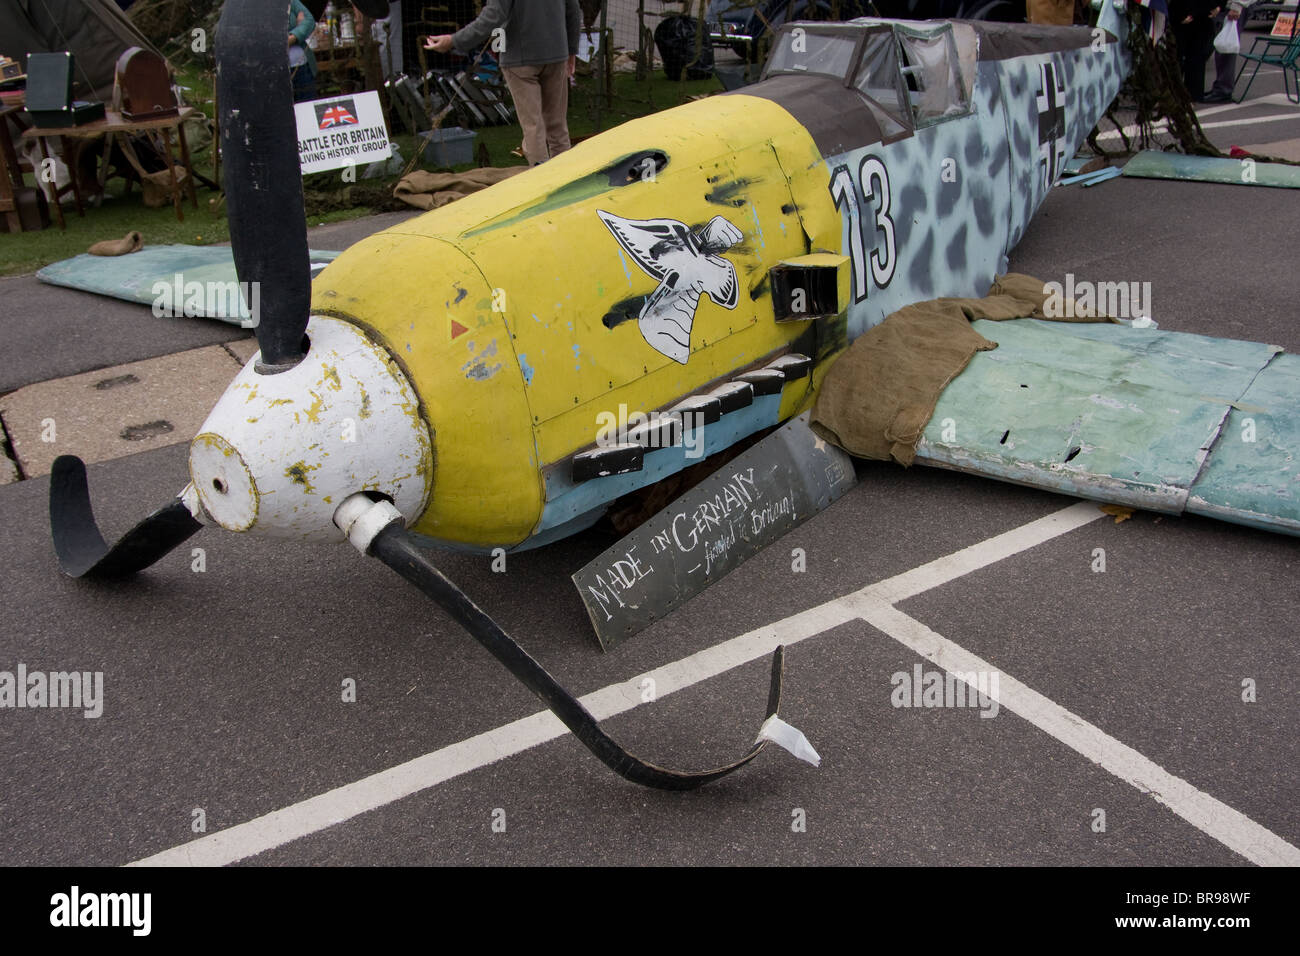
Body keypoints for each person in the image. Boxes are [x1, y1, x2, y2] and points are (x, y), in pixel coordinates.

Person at [424, 0, 581, 166]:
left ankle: (542, 181)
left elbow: (493, 15)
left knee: (533, 128)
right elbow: (573, 10)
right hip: (556, 55)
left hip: (520, 59)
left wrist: (454, 40)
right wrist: (571, 49)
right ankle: (566, 179)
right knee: (557, 126)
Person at [1170, 0, 1221, 102]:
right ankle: (1172, 95)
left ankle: (1191, 97)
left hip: (1202, 15)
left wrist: (1219, 5)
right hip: (1180, 12)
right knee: (1175, 57)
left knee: (1196, 59)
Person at [1205, 1, 1249, 103]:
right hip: (1230, 5)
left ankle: (1223, 90)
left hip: (1235, 5)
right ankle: (1221, 87)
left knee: (1226, 47)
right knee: (1222, 45)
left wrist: (1237, 6)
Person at [288, 0, 318, 103]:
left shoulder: (291, 1)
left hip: (302, 68)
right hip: (271, 71)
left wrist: (294, 37)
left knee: (309, 109)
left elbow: (309, 20)